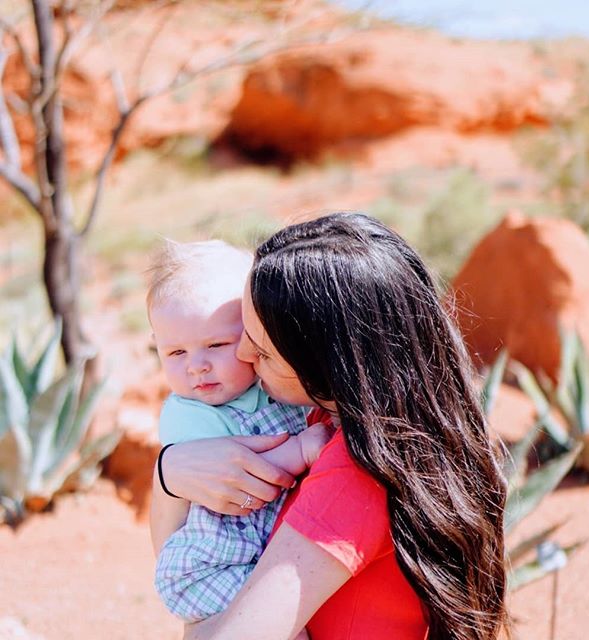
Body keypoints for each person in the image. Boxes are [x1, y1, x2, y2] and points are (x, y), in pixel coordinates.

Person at [157, 213, 509, 640]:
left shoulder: (354, 467)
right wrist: (170, 472)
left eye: (262, 346)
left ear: (322, 358)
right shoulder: (369, 429)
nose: (245, 354)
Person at [147, 239, 332, 624]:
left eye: (216, 345)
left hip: (252, 554)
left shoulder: (268, 391)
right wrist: (300, 448)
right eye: (176, 353)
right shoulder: (188, 414)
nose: (196, 367)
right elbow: (246, 471)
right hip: (212, 565)